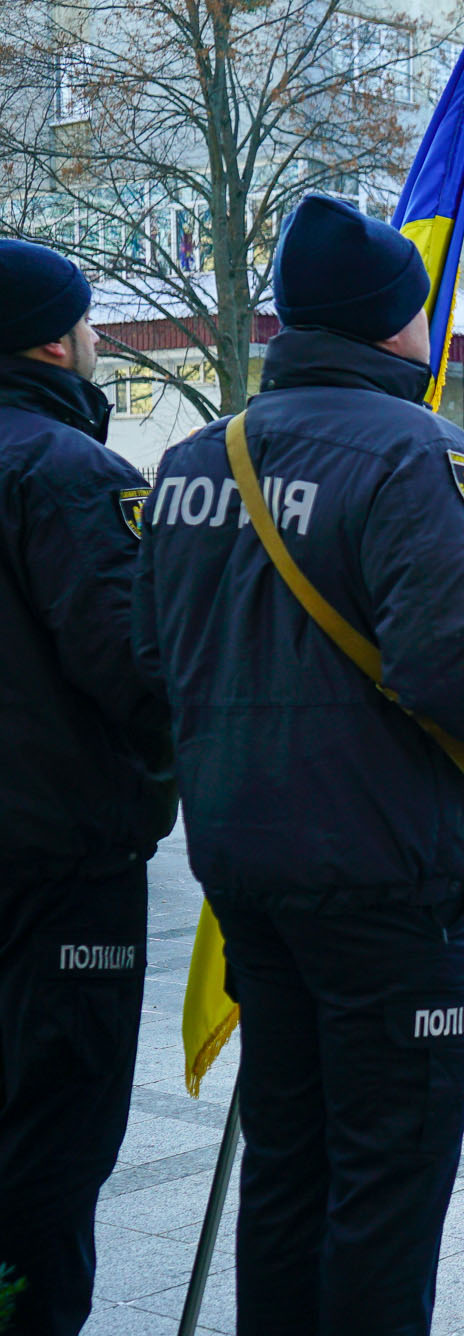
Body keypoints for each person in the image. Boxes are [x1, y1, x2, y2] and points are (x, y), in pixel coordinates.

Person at [132, 194, 464, 1335]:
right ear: (396, 324)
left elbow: (152, 654)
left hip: (241, 866)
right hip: (384, 876)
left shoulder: (193, 459)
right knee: (386, 1181)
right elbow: (457, 671)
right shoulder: (416, 451)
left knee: (288, 1157)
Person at [0, 241, 174, 1336]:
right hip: (58, 870)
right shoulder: (71, 473)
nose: (100, 340)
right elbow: (138, 672)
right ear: (55, 339)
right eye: (91, 321)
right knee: (51, 1146)